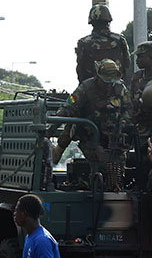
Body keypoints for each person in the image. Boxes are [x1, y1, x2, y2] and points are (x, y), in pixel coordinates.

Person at [47, 59, 132, 191]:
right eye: (105, 81)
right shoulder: (86, 88)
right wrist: (51, 128)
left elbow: (128, 109)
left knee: (117, 170)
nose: (108, 85)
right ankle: (94, 183)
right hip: (89, 135)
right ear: (98, 76)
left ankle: (113, 187)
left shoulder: (120, 89)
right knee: (99, 162)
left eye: (111, 81)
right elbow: (68, 108)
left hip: (113, 137)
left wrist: (123, 122)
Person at [76, 4, 130, 82]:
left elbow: (80, 69)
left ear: (92, 22)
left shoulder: (84, 42)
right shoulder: (119, 40)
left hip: (91, 89)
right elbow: (127, 64)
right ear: (108, 20)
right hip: (116, 87)